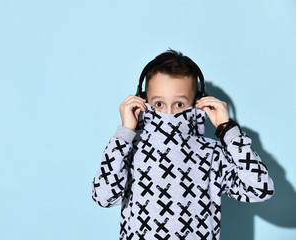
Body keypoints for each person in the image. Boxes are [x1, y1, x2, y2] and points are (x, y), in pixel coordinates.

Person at [91, 49, 275, 240]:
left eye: (179, 104)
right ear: (143, 101)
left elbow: (260, 189)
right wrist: (125, 133)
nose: (169, 114)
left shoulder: (212, 154)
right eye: (159, 104)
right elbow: (104, 197)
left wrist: (228, 130)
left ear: (198, 103)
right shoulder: (128, 147)